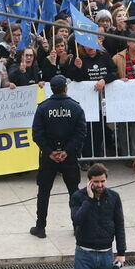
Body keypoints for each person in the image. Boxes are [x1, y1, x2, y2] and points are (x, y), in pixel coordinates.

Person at [30, 74, 86, 238]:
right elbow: (81, 133)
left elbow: (37, 134)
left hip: (49, 156)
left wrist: (50, 152)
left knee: (44, 191)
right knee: (74, 191)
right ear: (65, 88)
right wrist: (67, 151)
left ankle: (40, 227)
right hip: (69, 155)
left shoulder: (43, 108)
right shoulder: (75, 107)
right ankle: (77, 226)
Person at [70, 163, 126, 269]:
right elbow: (77, 220)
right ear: (89, 182)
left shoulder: (114, 197)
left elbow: (120, 225)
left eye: (102, 181)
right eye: (96, 182)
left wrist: (121, 253)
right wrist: (89, 200)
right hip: (84, 254)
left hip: (106, 254)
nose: (100, 185)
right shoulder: (78, 197)